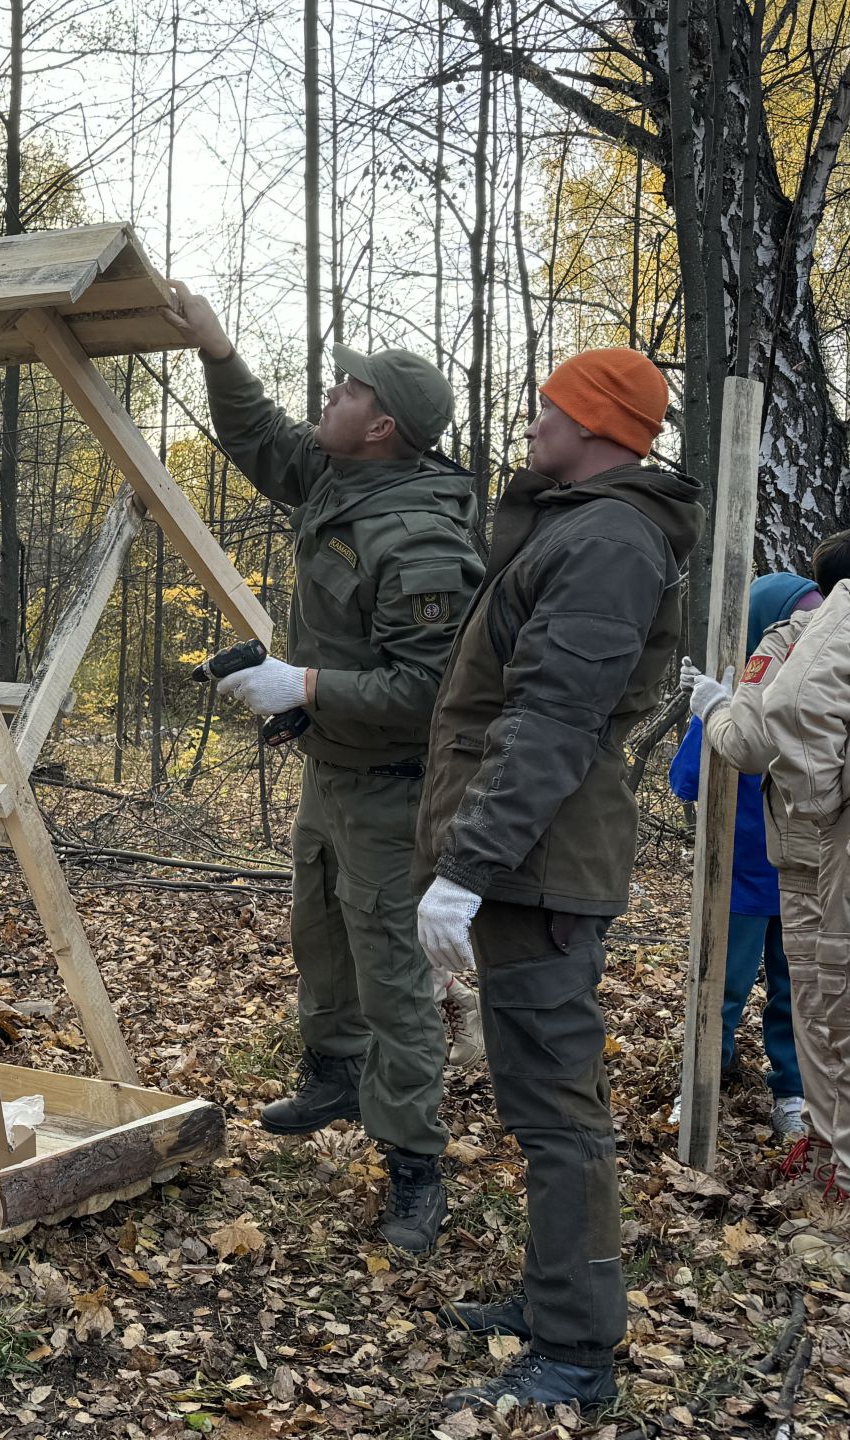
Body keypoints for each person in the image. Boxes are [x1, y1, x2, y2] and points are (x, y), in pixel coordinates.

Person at [165, 283, 483, 1255]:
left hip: (392, 791)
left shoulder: (418, 538)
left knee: (393, 977)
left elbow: (428, 695)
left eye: (345, 390)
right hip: (333, 771)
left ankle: (414, 1171)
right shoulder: (344, 481)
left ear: (381, 426)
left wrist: (301, 682)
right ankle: (333, 1076)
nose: (329, 395)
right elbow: (260, 438)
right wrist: (218, 349)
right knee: (320, 931)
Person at [416, 347, 702, 1412]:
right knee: (540, 1102)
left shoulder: (612, 540)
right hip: (525, 859)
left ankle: (578, 1353)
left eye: (550, 409)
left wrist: (469, 870)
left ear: (593, 423)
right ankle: (552, 1303)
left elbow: (549, 722)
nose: (533, 424)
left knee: (560, 1112)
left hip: (540, 864)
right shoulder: (576, 525)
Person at [685, 530, 850, 1199]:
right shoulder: (805, 632)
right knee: (798, 994)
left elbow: (756, 736)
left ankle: (832, 1156)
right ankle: (815, 1131)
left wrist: (718, 708)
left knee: (820, 1003)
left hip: (814, 854)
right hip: (785, 863)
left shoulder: (791, 638)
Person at [668, 574, 819, 1142]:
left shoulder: (818, 693)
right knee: (721, 985)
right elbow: (687, 782)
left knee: (797, 991)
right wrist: (712, 712)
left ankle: (792, 1092)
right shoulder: (737, 699)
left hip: (803, 872)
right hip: (738, 879)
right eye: (795, 624)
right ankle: (704, 1077)